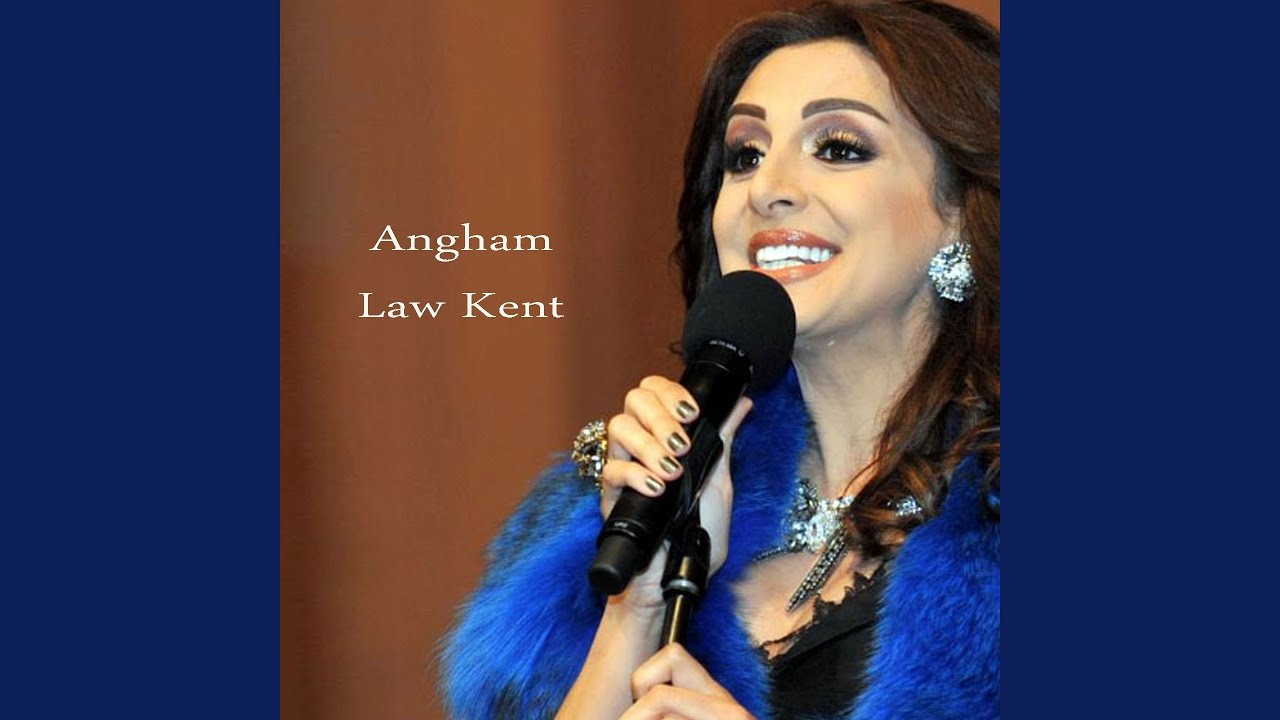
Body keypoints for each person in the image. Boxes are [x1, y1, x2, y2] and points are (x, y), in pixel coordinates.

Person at [439, 1, 999, 718]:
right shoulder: (631, 496)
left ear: (960, 209)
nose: (768, 189)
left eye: (838, 148)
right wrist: (638, 600)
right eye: (745, 156)